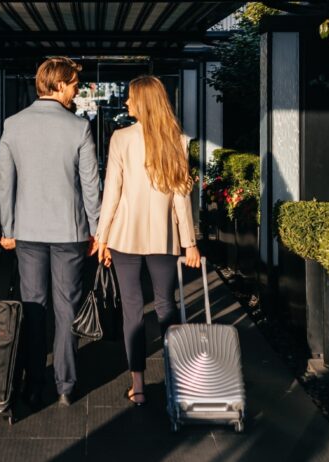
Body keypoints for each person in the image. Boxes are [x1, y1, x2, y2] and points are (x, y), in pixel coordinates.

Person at [0, 57, 101, 409]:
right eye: (73, 83)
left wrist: (7, 228)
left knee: (33, 306)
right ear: (57, 84)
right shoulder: (79, 128)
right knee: (67, 307)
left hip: (27, 230)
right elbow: (91, 187)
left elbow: (4, 185)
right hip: (70, 232)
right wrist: (97, 230)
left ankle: (33, 382)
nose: (76, 90)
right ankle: (66, 385)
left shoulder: (13, 125)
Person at [96, 75, 201, 406]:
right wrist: (190, 242)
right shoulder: (177, 140)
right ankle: (175, 380)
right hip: (164, 237)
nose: (126, 103)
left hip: (124, 236)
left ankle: (138, 386)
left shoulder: (121, 138)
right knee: (166, 305)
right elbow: (182, 198)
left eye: (129, 98)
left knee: (132, 310)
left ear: (142, 101)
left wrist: (102, 237)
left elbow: (111, 191)